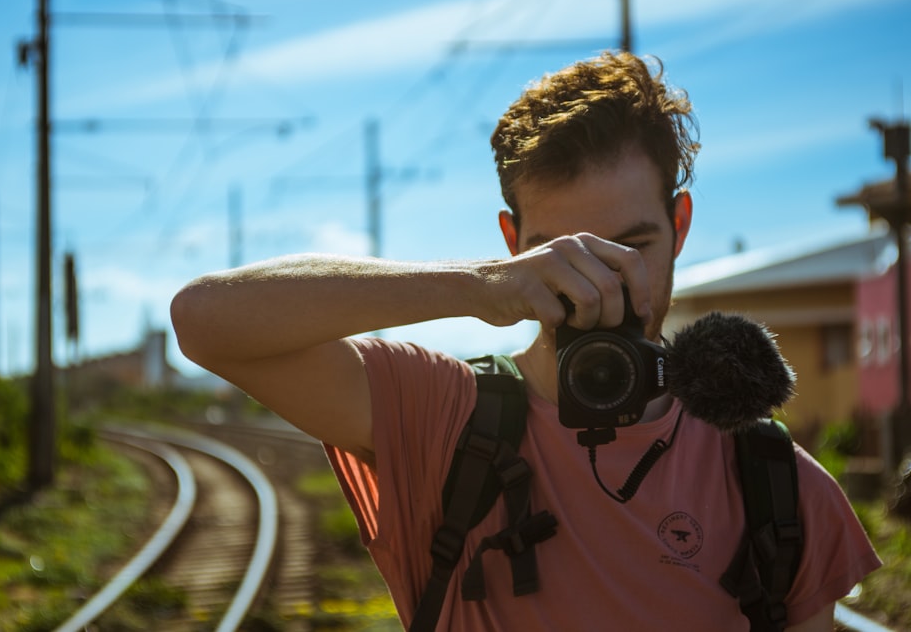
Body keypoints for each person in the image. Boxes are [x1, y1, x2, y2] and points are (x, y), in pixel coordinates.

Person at [170, 52, 881, 631]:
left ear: (681, 227)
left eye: (632, 245)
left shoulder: (775, 483)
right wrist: (480, 286)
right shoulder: (446, 416)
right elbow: (204, 318)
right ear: (513, 243)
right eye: (562, 253)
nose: (602, 284)